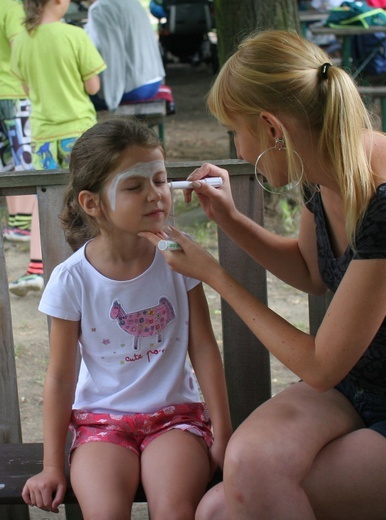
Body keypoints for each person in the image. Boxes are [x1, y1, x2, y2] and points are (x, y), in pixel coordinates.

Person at [142, 29, 386, 520]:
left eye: (237, 133)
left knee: (223, 511)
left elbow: (319, 366)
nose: (240, 151)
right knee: (242, 468)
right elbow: (311, 271)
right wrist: (231, 220)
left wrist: (217, 277)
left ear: (271, 128)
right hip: (358, 389)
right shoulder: (325, 170)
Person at [20, 117, 232, 518]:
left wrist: (223, 432)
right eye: (135, 186)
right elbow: (61, 376)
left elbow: (202, 346)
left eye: (160, 179)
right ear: (92, 203)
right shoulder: (72, 279)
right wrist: (51, 466)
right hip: (101, 426)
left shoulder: (179, 260)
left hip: (175, 420)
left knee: (174, 510)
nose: (155, 195)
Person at [9, 0, 106, 295]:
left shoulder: (22, 40)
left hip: (43, 136)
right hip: (79, 132)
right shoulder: (74, 36)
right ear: (58, 2)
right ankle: (96, 266)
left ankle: (37, 268)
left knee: (47, 200)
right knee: (89, 199)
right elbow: (94, 87)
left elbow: (26, 88)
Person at [0, 0, 43, 296]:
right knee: (29, 166)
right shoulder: (12, 6)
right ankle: (24, 233)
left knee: (10, 166)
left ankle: (18, 225)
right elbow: (20, 48)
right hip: (16, 94)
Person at [85, 0, 165, 112]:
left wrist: (111, 98)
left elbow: (110, 55)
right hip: (153, 81)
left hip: (134, 88)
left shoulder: (101, 8)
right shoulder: (131, 1)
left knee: (80, 95)